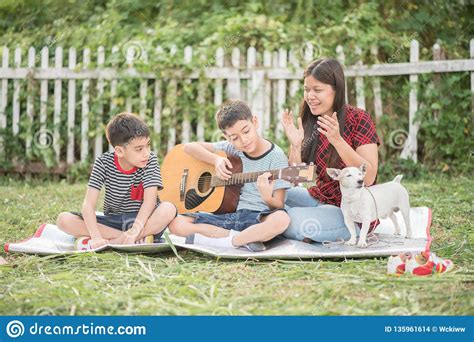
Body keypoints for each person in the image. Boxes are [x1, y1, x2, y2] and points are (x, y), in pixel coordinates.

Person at [169, 100, 291, 252]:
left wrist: (267, 198)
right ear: (226, 137)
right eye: (234, 138)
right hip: (230, 216)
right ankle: (245, 239)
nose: (243, 140)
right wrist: (216, 159)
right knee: (177, 223)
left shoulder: (276, 156)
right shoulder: (231, 149)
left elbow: (279, 205)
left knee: (281, 219)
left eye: (246, 131)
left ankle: (229, 242)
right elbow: (188, 147)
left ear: (255, 121)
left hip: (258, 218)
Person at [281, 58, 380, 243]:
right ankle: (309, 222)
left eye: (317, 90)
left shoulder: (359, 119)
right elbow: (295, 178)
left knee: (290, 219)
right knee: (274, 192)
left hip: (353, 212)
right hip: (320, 199)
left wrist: (337, 140)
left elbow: (368, 177)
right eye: (306, 89)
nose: (310, 96)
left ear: (337, 90)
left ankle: (305, 223)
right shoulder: (312, 120)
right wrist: (295, 145)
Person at [56, 112, 177, 249]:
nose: (146, 153)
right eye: (139, 149)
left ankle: (119, 240)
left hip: (144, 221)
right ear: (119, 151)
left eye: (148, 145)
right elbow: (88, 204)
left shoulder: (150, 160)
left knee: (168, 208)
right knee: (64, 220)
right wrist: (95, 236)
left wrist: (134, 231)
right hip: (113, 221)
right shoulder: (103, 162)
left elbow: (150, 202)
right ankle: (132, 239)